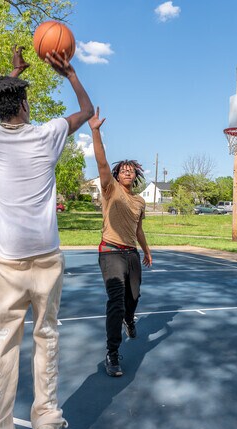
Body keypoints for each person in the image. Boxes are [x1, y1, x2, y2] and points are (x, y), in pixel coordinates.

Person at [0, 46, 93, 429]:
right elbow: (87, 112)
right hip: (46, 260)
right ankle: (47, 417)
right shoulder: (47, 136)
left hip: (5, 263)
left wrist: (12, 72)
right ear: (25, 105)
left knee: (0, 347)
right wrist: (70, 75)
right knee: (47, 337)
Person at [88, 107, 153, 377]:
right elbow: (102, 162)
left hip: (132, 254)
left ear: (135, 176)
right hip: (110, 252)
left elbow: (138, 230)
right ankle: (112, 353)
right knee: (116, 300)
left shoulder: (139, 201)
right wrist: (95, 130)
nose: (126, 173)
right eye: (123, 170)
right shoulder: (110, 189)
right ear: (117, 175)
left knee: (133, 297)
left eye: (131, 171)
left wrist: (147, 251)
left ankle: (130, 318)